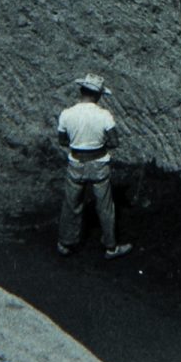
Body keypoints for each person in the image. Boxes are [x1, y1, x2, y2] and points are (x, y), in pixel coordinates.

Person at [55, 74, 132, 259]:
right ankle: (110, 247)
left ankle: (65, 243)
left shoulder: (67, 114)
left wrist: (79, 142)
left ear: (81, 90)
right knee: (105, 206)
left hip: (76, 163)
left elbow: (62, 141)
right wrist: (98, 144)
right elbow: (114, 142)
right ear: (98, 95)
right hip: (98, 164)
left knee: (72, 204)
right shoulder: (104, 115)